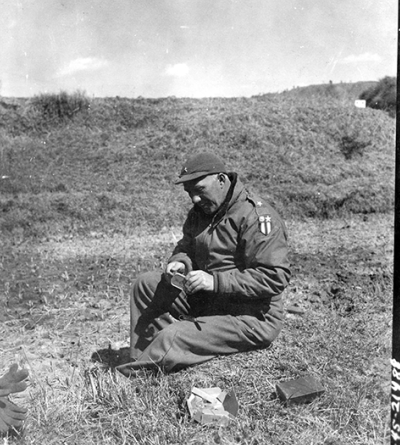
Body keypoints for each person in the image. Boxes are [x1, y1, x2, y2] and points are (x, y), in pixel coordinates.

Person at [116, 152, 290, 376]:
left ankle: (135, 379)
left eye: (199, 190)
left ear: (221, 180)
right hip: (212, 303)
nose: (194, 200)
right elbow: (186, 246)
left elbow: (274, 277)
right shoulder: (201, 212)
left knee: (175, 335)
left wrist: (215, 281)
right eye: (189, 193)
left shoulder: (256, 217)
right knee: (146, 285)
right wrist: (180, 262)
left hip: (251, 317)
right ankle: (141, 358)